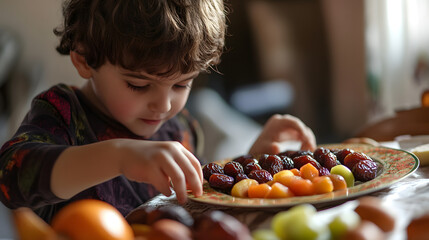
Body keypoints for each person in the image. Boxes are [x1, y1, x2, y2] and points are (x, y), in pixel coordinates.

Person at [0, 0, 316, 223]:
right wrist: (120, 155)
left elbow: (199, 205)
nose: (163, 106)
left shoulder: (180, 128)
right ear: (83, 56)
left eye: (181, 86)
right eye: (139, 85)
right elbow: (9, 177)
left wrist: (252, 166)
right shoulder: (62, 114)